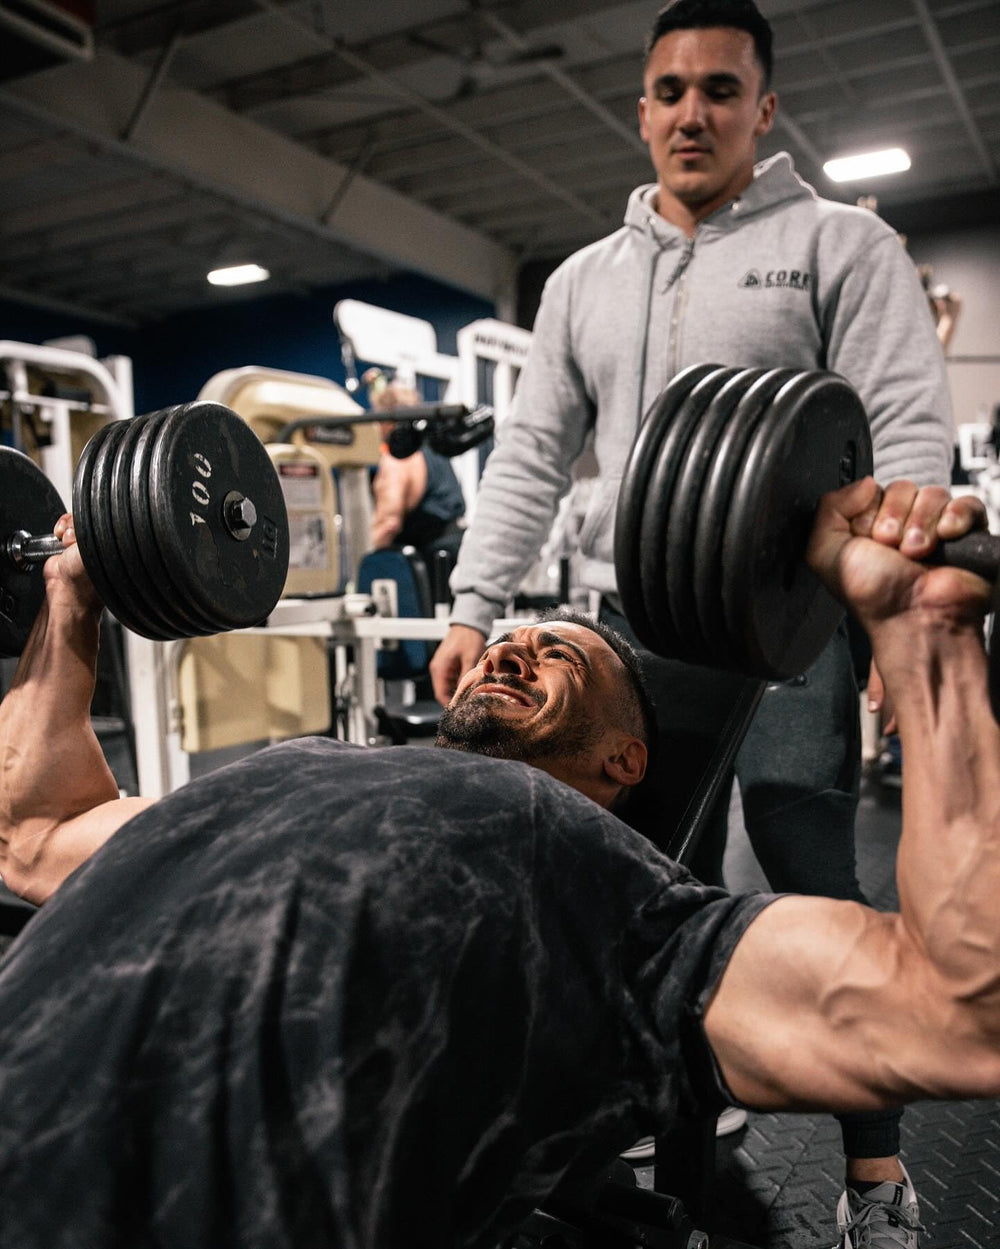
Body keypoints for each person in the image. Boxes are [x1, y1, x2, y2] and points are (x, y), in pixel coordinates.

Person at [0, 481, 997, 1249]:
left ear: (624, 760)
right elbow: (37, 830)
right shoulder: (293, 764)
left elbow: (953, 1005)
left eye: (562, 656)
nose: (510, 650)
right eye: (507, 641)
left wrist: (927, 636)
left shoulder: (599, 882)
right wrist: (71, 597)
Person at [428, 1, 955, 1237]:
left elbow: (905, 429)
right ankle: (658, 1143)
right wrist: (473, 601)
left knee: (811, 868)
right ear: (642, 107)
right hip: (639, 618)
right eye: (669, 90)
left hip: (788, 626)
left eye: (721, 90)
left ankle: (876, 1177)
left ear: (763, 109)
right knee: (636, 872)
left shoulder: (837, 244)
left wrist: (899, 624)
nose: (692, 113)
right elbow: (530, 453)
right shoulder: (583, 280)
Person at [366, 369, 466, 567]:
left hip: (431, 565)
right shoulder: (433, 449)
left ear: (387, 420)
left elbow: (389, 523)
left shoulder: (399, 457)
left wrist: (366, 564)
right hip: (460, 550)